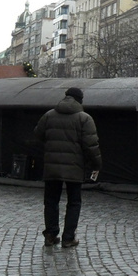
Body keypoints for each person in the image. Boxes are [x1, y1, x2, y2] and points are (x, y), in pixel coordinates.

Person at [35, 87, 101, 248]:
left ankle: (50, 235)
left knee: (51, 201)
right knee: (74, 202)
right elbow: (91, 145)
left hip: (52, 166)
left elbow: (38, 134)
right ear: (80, 100)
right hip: (74, 166)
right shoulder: (84, 118)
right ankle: (68, 238)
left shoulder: (49, 115)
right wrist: (96, 164)